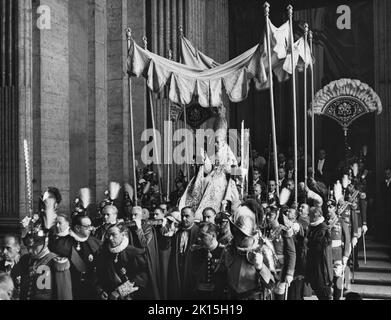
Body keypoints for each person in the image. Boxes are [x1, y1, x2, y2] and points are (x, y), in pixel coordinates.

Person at [179, 106, 240, 220]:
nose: (215, 145)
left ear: (223, 142)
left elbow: (234, 167)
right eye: (214, 142)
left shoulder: (228, 152)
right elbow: (208, 169)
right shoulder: (212, 151)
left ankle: (218, 211)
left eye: (218, 142)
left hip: (224, 178)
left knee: (216, 183)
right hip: (212, 176)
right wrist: (203, 161)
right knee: (204, 181)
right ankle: (199, 211)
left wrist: (223, 168)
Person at [225, 212, 274, 300]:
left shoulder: (263, 249)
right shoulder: (230, 248)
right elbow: (222, 273)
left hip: (254, 296)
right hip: (232, 295)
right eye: (237, 233)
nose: (239, 237)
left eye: (243, 234)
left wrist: (261, 267)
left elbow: (272, 283)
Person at [18, 222, 73, 300]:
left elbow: (64, 295)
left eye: (34, 247)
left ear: (45, 243)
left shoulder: (58, 262)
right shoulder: (25, 260)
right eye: (28, 247)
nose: (30, 250)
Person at [95, 223, 148, 300]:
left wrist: (120, 291)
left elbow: (141, 278)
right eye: (108, 235)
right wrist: (100, 290)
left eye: (114, 235)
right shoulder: (103, 253)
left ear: (123, 234)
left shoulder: (135, 253)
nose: (110, 238)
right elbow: (99, 274)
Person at [167, 207, 200, 299]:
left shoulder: (198, 231)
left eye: (187, 216)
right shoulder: (178, 232)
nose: (184, 219)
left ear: (194, 216)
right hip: (179, 264)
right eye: (182, 216)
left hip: (192, 267)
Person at [67, 213, 101, 300]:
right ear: (77, 228)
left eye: (91, 226)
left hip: (92, 287)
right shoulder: (64, 244)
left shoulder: (96, 243)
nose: (91, 229)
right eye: (87, 226)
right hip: (71, 287)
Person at [128, 206, 160, 299]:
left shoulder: (147, 227)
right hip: (133, 262)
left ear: (141, 215)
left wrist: (139, 228)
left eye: (135, 215)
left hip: (144, 263)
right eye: (131, 215)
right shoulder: (130, 226)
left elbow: (144, 243)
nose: (133, 217)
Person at [264, 207, 296, 300]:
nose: (268, 217)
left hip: (280, 269)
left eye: (271, 215)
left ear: (277, 215)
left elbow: (291, 253)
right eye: (267, 215)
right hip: (266, 269)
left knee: (279, 296)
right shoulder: (265, 230)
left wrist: (290, 273)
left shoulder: (284, 231)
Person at [191, 222, 228, 299]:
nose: (198, 238)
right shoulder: (196, 252)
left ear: (213, 236)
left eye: (202, 236)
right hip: (200, 295)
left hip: (219, 295)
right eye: (199, 236)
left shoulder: (224, 252)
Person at [306, 206, 333, 300]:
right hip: (314, 265)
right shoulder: (313, 227)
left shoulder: (322, 228)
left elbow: (318, 246)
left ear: (316, 216)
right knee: (317, 288)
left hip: (321, 267)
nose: (309, 216)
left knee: (323, 292)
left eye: (310, 215)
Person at [327, 199, 351, 300]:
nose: (328, 209)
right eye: (327, 207)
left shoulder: (341, 221)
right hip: (327, 253)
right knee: (327, 277)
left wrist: (345, 255)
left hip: (337, 253)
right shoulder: (324, 221)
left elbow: (347, 239)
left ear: (335, 208)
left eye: (331, 207)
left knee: (338, 276)